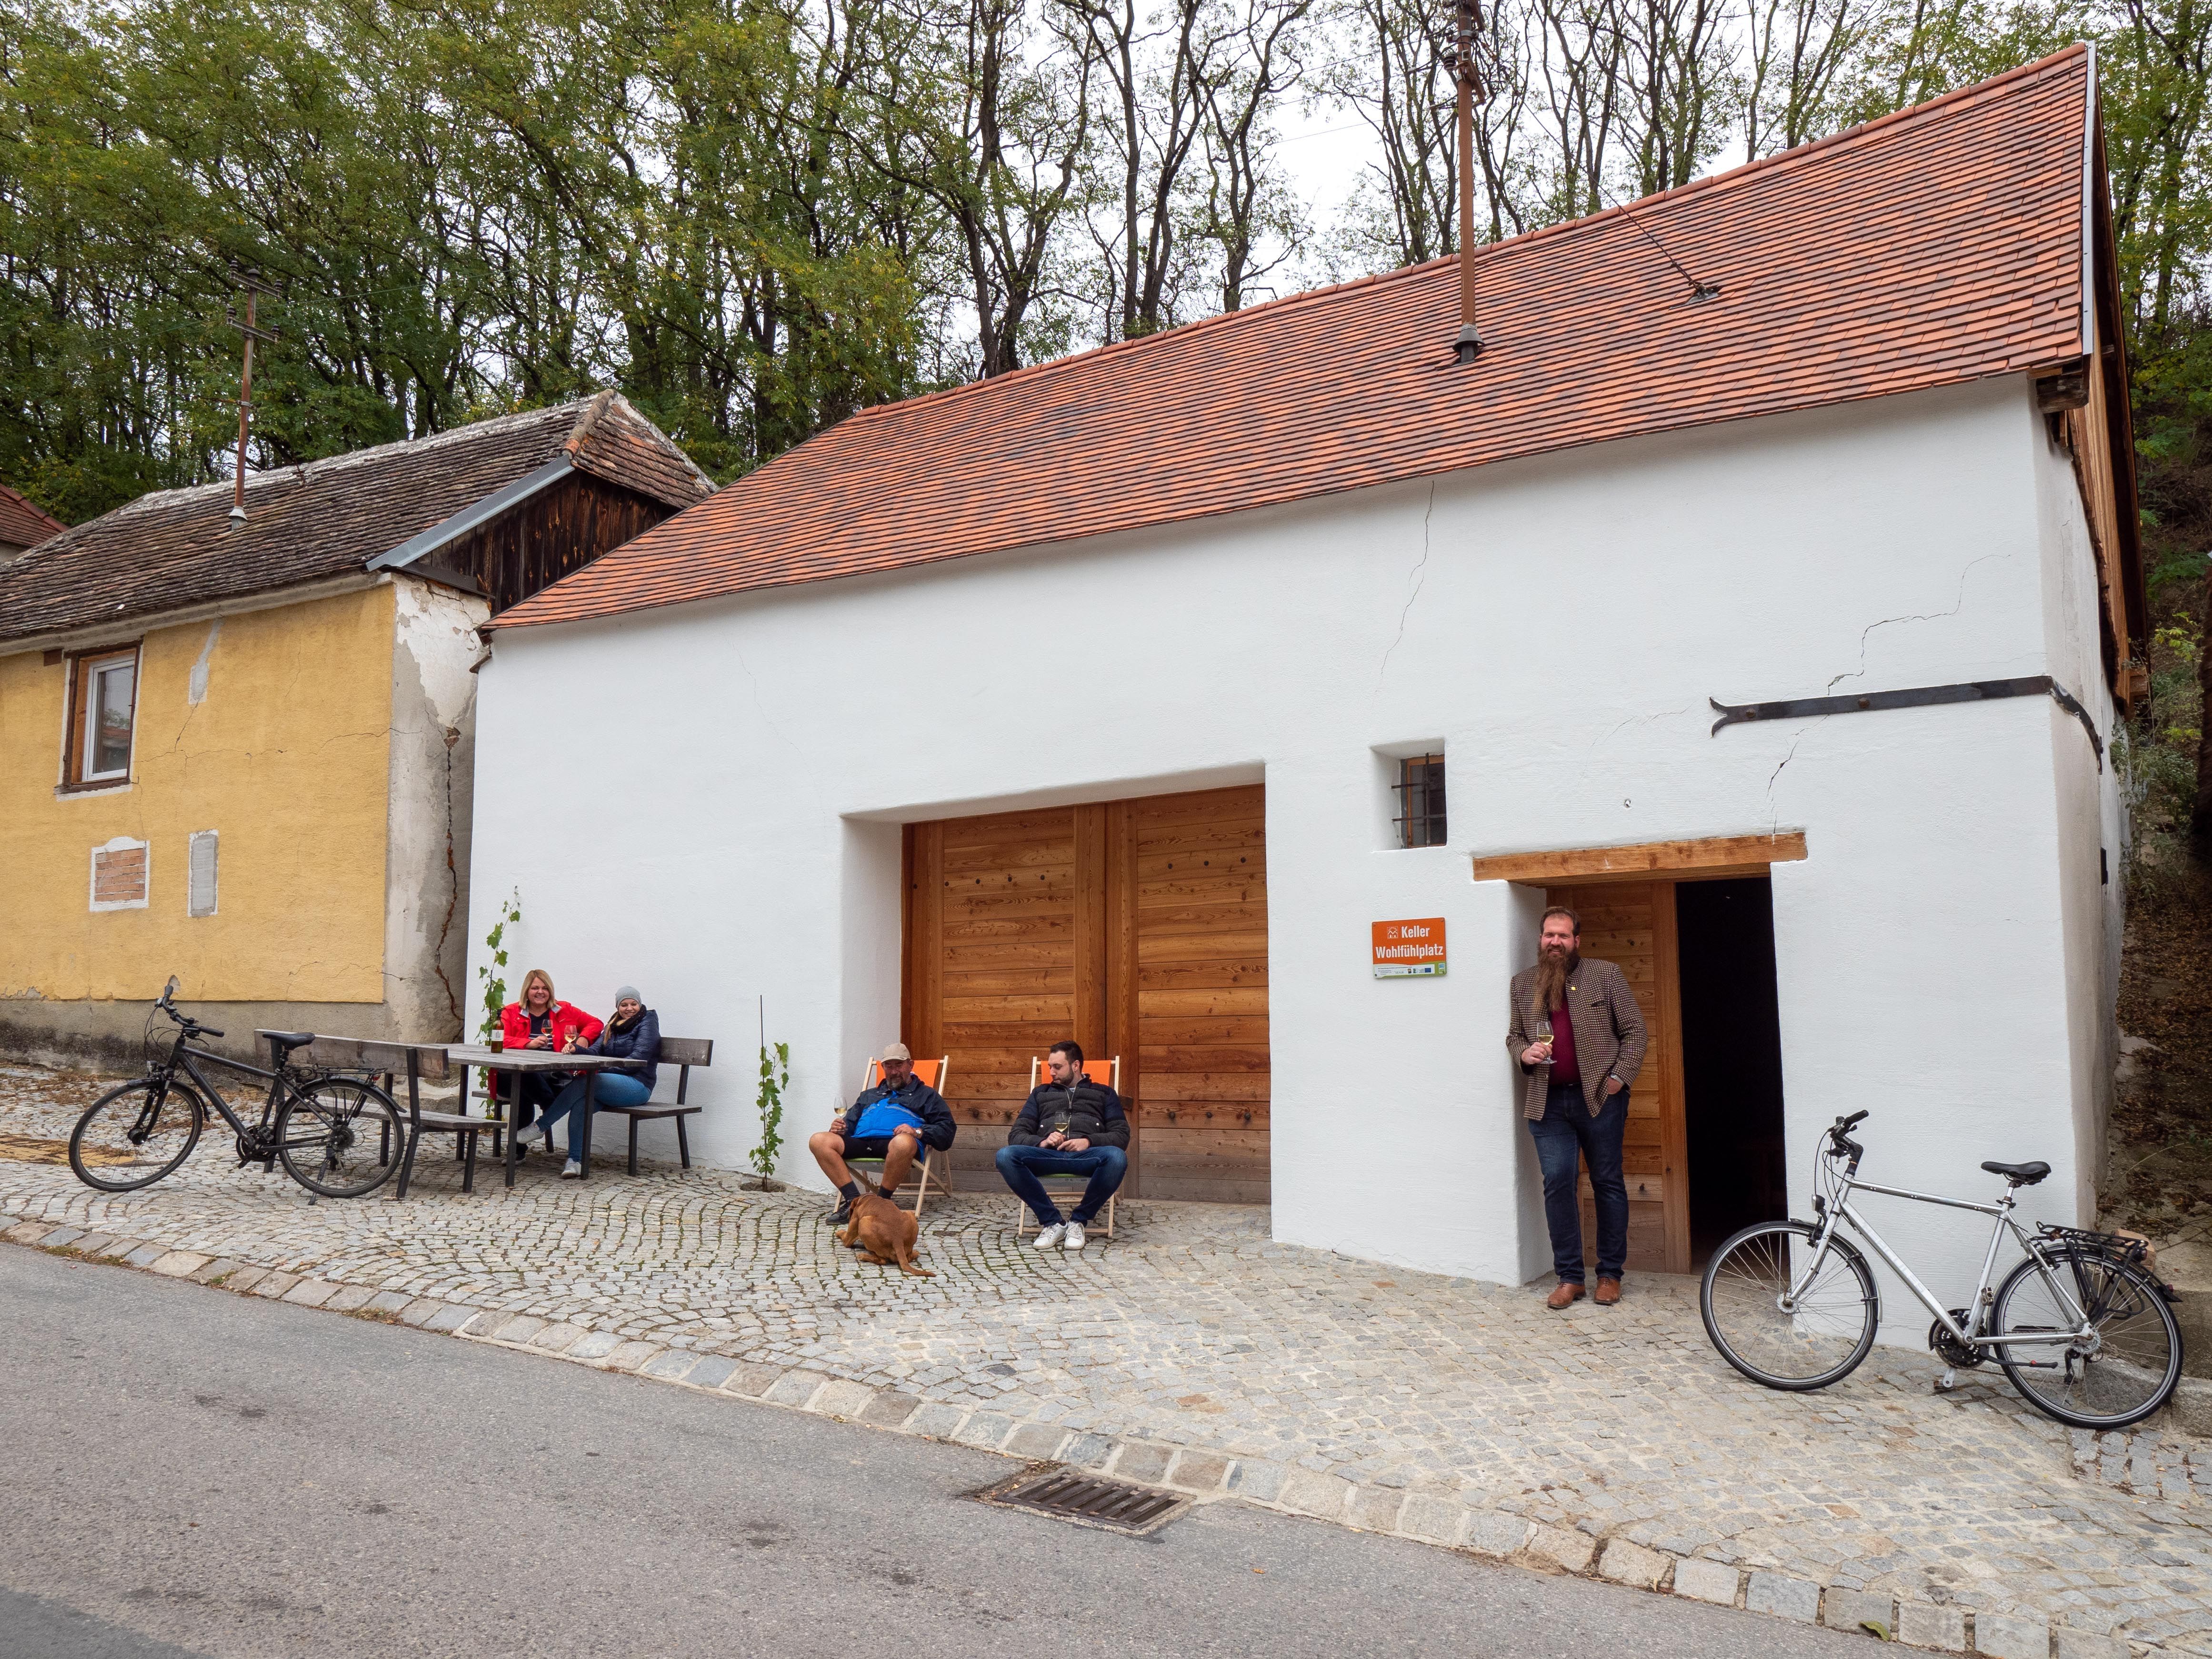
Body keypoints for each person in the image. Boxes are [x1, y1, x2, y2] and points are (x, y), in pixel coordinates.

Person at [1507, 907, 1648, 1309]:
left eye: (1563, 936)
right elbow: (1513, 1035)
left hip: (1600, 1099)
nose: (1555, 942)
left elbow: (1635, 1031)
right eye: (1549, 935)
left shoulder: (1605, 975)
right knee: (1557, 1183)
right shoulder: (1522, 985)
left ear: (1576, 942)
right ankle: (1570, 1278)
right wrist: (1524, 1052)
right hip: (1546, 1102)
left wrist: (1618, 1078)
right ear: (1540, 940)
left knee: (1606, 1182)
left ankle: (1609, 1275)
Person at [995, 1039, 1129, 1252]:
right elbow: (1016, 1135)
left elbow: (1121, 1135)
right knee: (1005, 1156)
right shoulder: (1041, 1094)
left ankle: (1078, 1221)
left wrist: (1089, 1141)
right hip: (1048, 1156)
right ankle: (1053, 1222)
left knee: (1117, 1158)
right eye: (1050, 1067)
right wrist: (1043, 1141)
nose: (1051, 1072)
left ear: (1076, 1066)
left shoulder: (1104, 1094)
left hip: (1087, 1157)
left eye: (1058, 1067)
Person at [519, 986, 658, 1178]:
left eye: (633, 1004)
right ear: (618, 1007)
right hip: (610, 1086)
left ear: (639, 1004)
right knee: (582, 1104)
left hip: (638, 1086)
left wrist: (600, 1069)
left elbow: (637, 1060)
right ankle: (575, 1162)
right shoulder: (613, 1025)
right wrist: (576, 1049)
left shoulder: (647, 1022)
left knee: (589, 1081)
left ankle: (540, 1126)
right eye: (624, 1004)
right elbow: (595, 1052)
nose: (629, 1008)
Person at [810, 1043, 955, 1226]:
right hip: (861, 1142)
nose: (893, 1072)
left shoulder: (927, 1095)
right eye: (889, 1066)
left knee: (902, 1142)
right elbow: (850, 1124)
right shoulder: (869, 1095)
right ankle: (854, 1202)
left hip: (896, 1145)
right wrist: (840, 1127)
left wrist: (916, 1132)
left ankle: (881, 1203)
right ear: (883, 1068)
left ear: (911, 1065)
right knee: (819, 1140)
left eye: (899, 1065)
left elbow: (947, 1129)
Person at [497, 969, 602, 1149]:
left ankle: (517, 1151)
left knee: (523, 1091)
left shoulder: (564, 1010)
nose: (540, 992)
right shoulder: (512, 1012)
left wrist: (583, 1039)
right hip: (511, 1075)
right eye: (535, 988)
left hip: (551, 1077)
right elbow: (500, 1039)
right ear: (527, 991)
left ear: (550, 991)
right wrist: (527, 1044)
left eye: (545, 988)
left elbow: (596, 1023)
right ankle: (550, 1107)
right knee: (523, 1076)